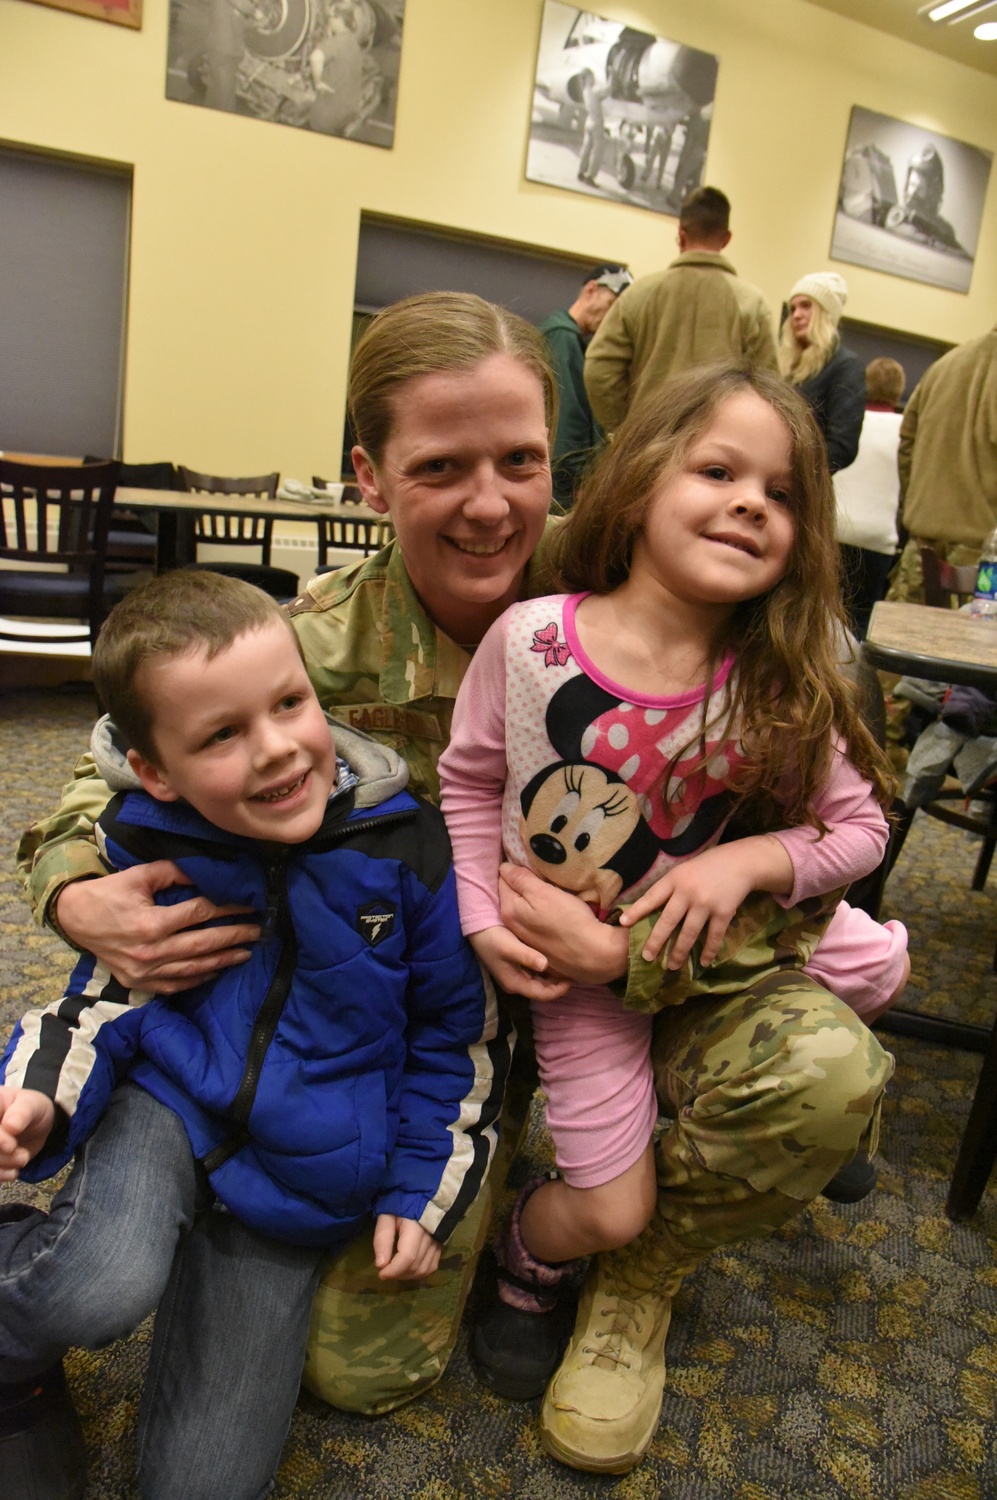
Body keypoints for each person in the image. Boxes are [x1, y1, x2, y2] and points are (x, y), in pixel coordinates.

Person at [15, 293, 896, 1475]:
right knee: (360, 1374)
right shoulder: (312, 648)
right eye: (441, 467)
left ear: (564, 461)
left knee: (824, 1072)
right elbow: (112, 770)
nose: (490, 504)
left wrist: (633, 957)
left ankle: (632, 1270)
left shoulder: (648, 575)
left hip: (632, 989)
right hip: (405, 1033)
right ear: (370, 480)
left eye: (521, 461)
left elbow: (813, 847)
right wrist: (77, 891)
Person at [437, 363, 905, 1467]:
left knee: (871, 985)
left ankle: (794, 1126)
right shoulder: (532, 641)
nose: (751, 501)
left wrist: (747, 856)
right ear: (643, 480)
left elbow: (860, 831)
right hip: (584, 979)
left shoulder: (784, 676)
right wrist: (477, 915)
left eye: (782, 493)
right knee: (609, 1213)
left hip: (711, 957)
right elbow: (467, 784)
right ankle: (532, 1254)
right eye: (718, 470)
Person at [0, 570, 506, 1500]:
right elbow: (100, 994)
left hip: (303, 1172)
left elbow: (459, 1043)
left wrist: (420, 1192)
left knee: (202, 1486)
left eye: (290, 704)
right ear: (156, 770)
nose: (277, 751)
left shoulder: (413, 855)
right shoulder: (154, 835)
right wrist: (40, 1090)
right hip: (169, 1110)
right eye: (223, 734)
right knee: (96, 1286)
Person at [583, 186, 778, 434]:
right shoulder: (752, 304)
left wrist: (626, 429)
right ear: (726, 238)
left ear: (681, 234)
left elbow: (598, 368)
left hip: (648, 448)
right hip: (717, 452)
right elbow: (769, 391)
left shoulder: (639, 294)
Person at [885, 322, 997, 607]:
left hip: (920, 561)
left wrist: (922, 503)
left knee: (903, 649)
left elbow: (907, 442)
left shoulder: (944, 365)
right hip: (987, 576)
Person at [539, 263, 633, 510]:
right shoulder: (563, 337)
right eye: (612, 305)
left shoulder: (576, 343)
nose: (612, 318)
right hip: (563, 488)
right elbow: (566, 422)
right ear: (591, 290)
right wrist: (580, 479)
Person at [834, 356, 906, 637]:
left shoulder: (845, 423)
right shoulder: (905, 431)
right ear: (899, 391)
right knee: (861, 624)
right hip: (877, 539)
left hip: (834, 528)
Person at [779, 271, 865, 473]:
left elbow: (843, 446)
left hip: (806, 486)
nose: (796, 315)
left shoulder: (845, 366)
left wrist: (793, 468)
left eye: (806, 306)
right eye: (792, 309)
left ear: (826, 313)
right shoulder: (789, 368)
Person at [576, 69, 607, 187]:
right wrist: (612, 76)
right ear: (587, 78)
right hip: (597, 123)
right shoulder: (594, 90)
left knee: (586, 148)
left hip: (589, 122)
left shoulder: (586, 91)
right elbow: (609, 89)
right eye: (591, 76)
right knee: (597, 151)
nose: (593, 78)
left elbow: (599, 97)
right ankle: (591, 176)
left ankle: (581, 171)